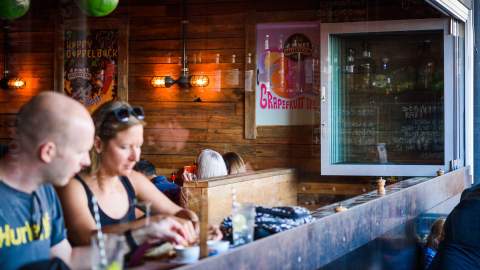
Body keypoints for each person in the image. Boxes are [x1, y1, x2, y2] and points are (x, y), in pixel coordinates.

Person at [0, 93, 188, 270]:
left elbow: (70, 259)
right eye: (80, 151)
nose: (87, 161)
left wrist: (143, 233)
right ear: (48, 152)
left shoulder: (44, 191)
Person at [56, 100, 208, 247]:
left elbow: (179, 212)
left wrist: (197, 227)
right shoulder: (73, 186)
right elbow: (87, 238)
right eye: (125, 147)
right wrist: (149, 225)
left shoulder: (133, 180)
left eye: (138, 146)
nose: (135, 157)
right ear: (98, 144)